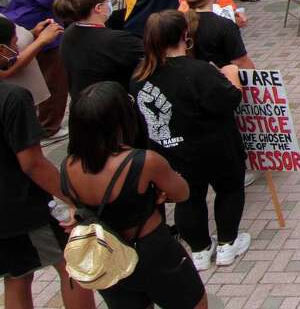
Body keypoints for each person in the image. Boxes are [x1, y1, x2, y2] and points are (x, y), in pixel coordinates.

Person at [60, 81, 203, 309]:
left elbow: (82, 205)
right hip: (153, 251)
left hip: (107, 255)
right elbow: (182, 192)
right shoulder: (144, 161)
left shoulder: (68, 165)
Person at [131, 11, 250, 271]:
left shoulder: (140, 76)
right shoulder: (198, 71)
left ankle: (199, 249)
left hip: (172, 150)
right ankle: (228, 243)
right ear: (185, 36)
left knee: (188, 197)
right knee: (229, 190)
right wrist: (230, 74)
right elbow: (229, 100)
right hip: (215, 146)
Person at [0, 44, 94, 309]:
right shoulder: (13, 98)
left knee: (17, 275)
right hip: (23, 206)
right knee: (73, 264)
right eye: (12, 46)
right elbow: (33, 163)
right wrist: (74, 197)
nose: (17, 50)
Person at [0, 0, 65, 136]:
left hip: (9, 29)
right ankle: (48, 126)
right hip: (40, 28)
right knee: (52, 79)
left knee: (22, 78)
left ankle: (25, 122)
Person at [54, 0, 142, 104]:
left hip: (82, 104)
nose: (110, 3)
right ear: (98, 8)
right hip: (112, 107)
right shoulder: (116, 41)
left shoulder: (69, 32)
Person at [181, 0, 253, 70]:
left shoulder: (180, 22)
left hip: (190, 78)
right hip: (219, 80)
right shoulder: (225, 25)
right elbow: (240, 62)